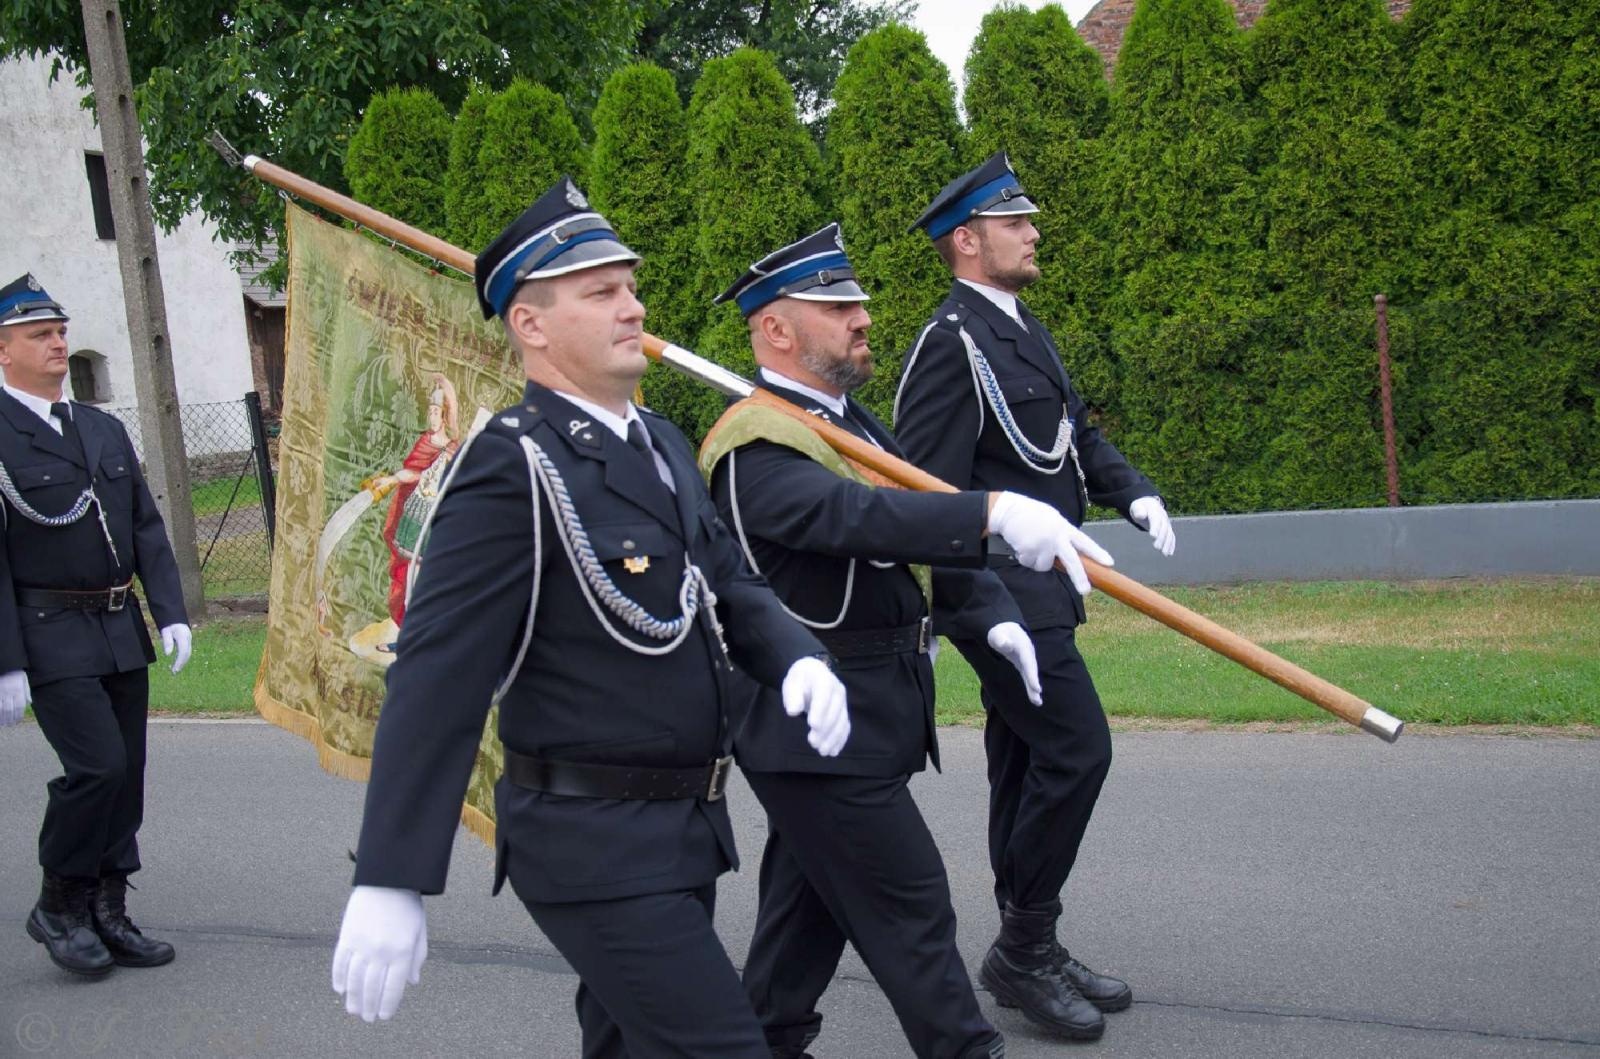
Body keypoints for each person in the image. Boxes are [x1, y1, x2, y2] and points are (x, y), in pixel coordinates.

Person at [329, 178, 853, 1059]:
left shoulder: (659, 444)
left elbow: (730, 582)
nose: (632, 306)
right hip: (591, 848)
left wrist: (796, 657)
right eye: (601, 291)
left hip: (682, 831)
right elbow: (437, 676)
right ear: (531, 324)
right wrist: (390, 875)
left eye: (631, 285)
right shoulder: (511, 467)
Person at [700, 223, 1116, 1059]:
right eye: (836, 304)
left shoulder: (852, 426)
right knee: (914, 906)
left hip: (868, 719)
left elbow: (915, 529)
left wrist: (987, 607)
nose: (862, 316)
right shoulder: (756, 445)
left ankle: (768, 1041)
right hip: (815, 734)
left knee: (805, 912)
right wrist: (993, 513)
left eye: (857, 301)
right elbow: (858, 518)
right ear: (775, 330)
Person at [893, 153, 1178, 1042]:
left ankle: (1031, 943)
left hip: (1048, 590)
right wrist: (972, 612)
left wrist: (1130, 488)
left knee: (1024, 763)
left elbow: (1076, 431)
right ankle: (1022, 946)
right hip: (998, 599)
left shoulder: (1025, 328)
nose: (1034, 231)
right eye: (1015, 221)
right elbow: (927, 501)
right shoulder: (950, 344)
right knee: (1079, 749)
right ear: (967, 241)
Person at [0, 272, 192, 977]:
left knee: (128, 774)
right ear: (2, 350)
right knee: (96, 767)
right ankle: (60, 900)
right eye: (38, 335)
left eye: (59, 330)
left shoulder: (101, 428)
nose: (57, 343)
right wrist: (6, 659)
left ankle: (109, 909)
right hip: (46, 628)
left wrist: (169, 611)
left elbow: (144, 525)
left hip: (117, 626)